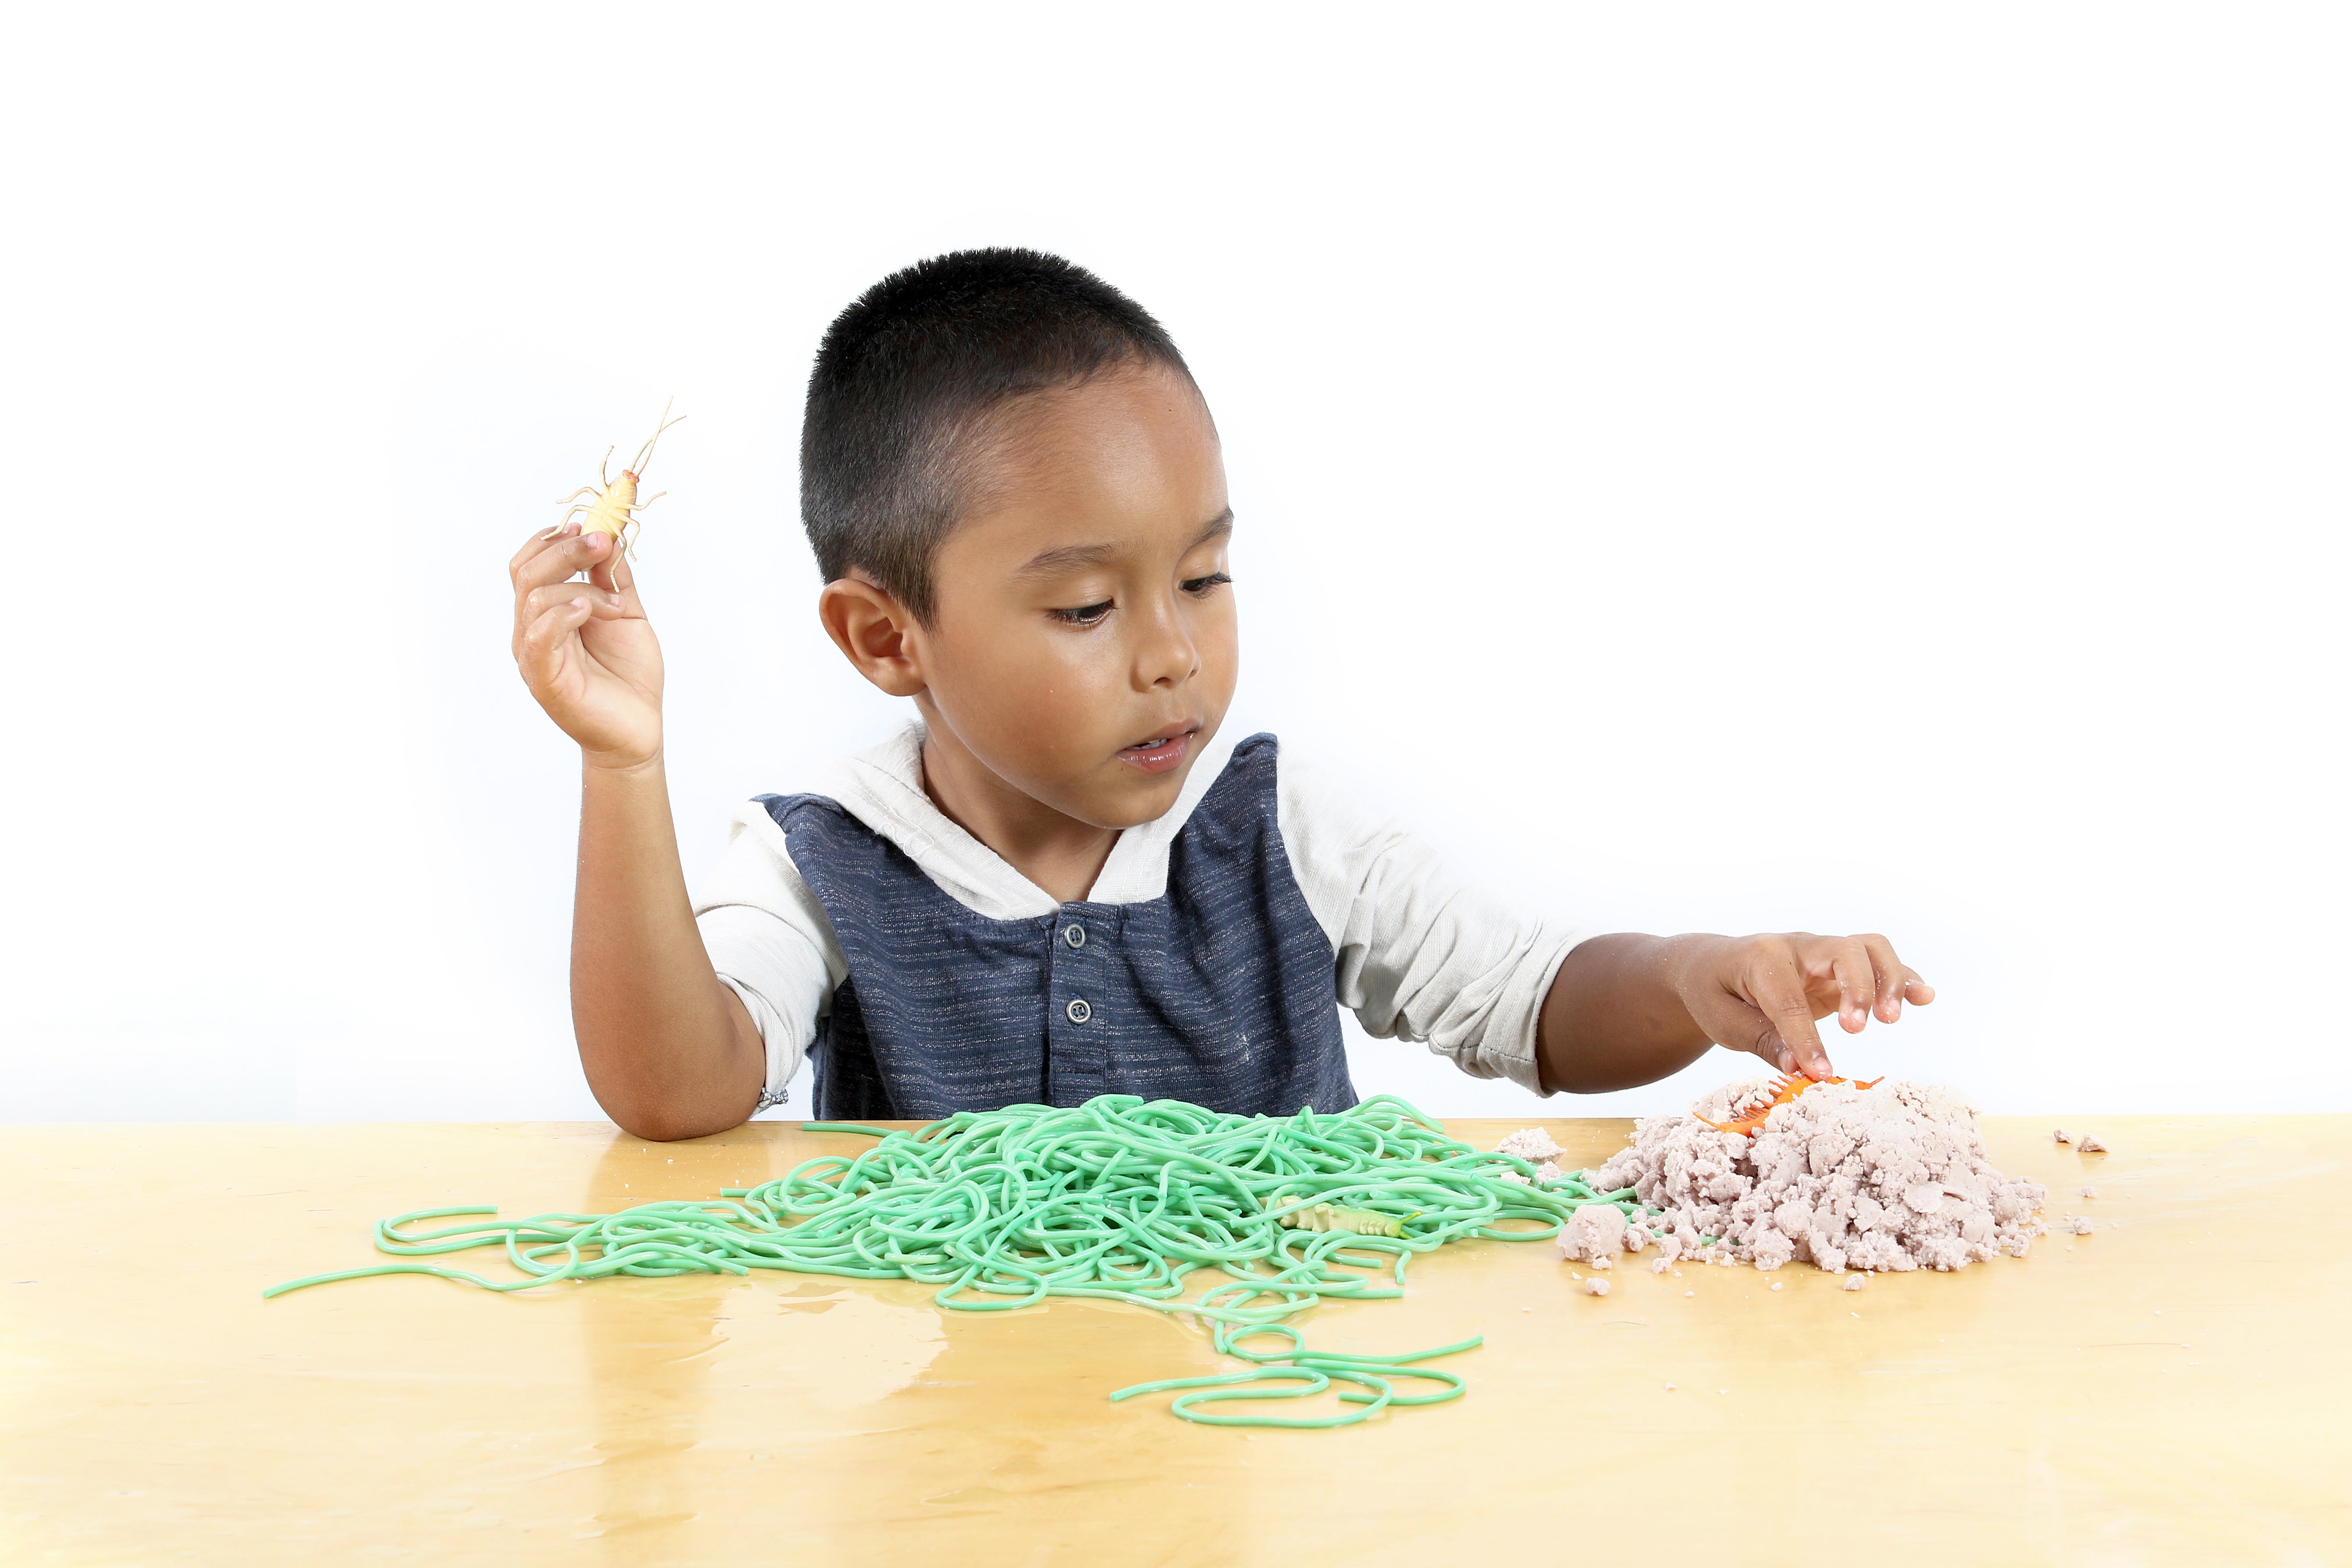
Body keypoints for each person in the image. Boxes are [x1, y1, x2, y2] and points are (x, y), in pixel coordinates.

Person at [506, 248, 1933, 1140]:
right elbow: (675, 1094)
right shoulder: (829, 861)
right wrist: (624, 766)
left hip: (1270, 1430)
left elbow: (1535, 1008)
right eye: (1084, 607)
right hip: (956, 1463)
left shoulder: (1276, 830)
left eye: (1202, 578)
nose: (1172, 653)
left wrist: (1695, 976)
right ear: (887, 641)